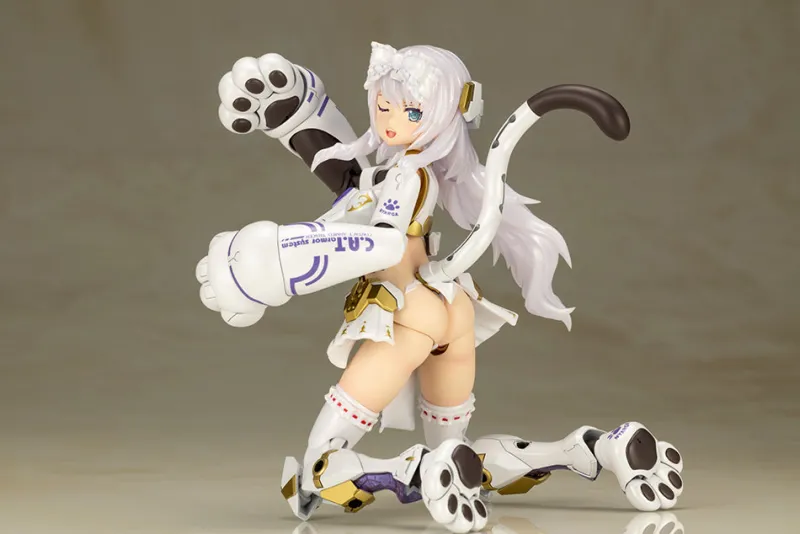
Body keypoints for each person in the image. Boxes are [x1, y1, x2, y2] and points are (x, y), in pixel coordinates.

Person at [197, 42, 684, 533]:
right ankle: (592, 449)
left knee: (319, 466)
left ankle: (415, 471)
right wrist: (298, 120)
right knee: (457, 450)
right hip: (451, 309)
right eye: (383, 106)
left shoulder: (406, 176)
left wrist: (274, 263)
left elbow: (380, 241)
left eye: (410, 111)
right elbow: (352, 183)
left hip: (409, 313)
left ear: (442, 115)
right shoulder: (410, 168)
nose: (389, 121)